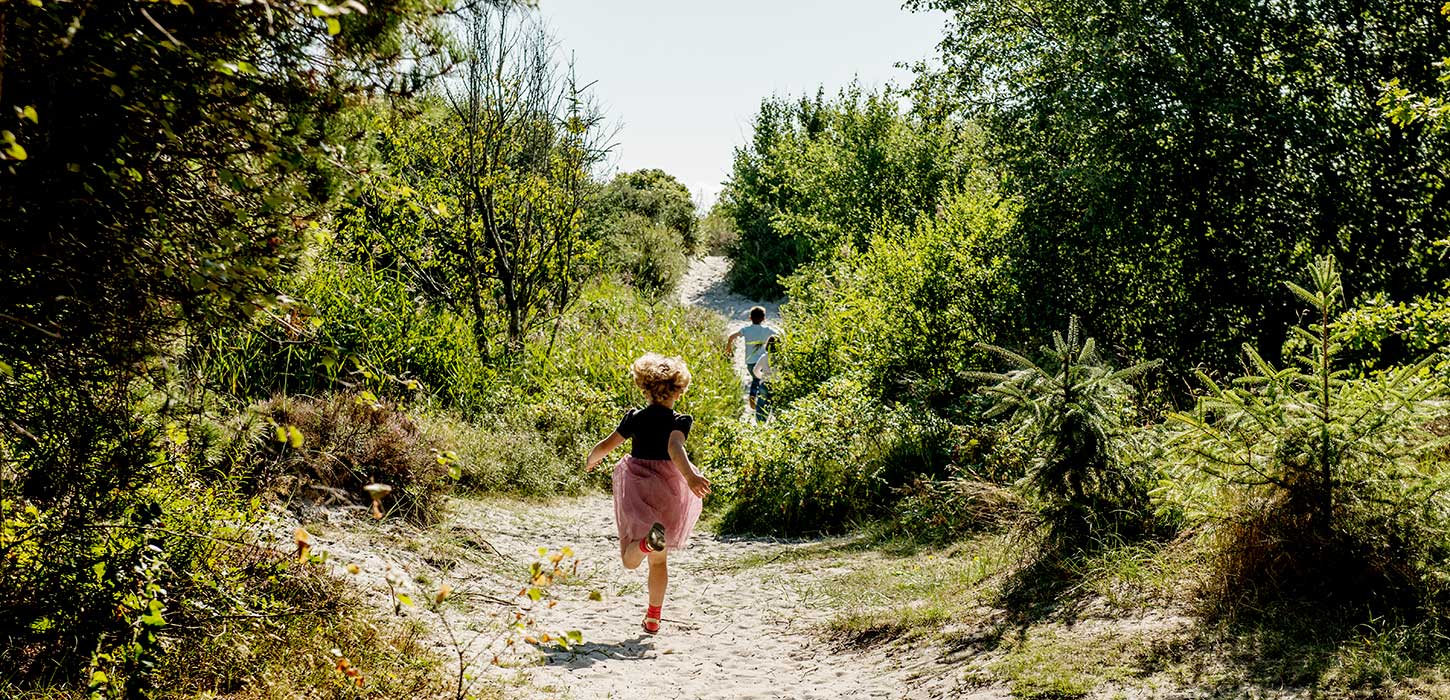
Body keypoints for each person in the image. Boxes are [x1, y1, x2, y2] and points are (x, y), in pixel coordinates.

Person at [585, 353, 711, 635]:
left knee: (630, 561)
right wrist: (689, 477)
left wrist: (592, 460)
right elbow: (675, 448)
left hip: (638, 484)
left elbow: (607, 444)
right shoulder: (680, 420)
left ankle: (642, 545)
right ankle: (653, 617)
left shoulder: (635, 417)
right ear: (679, 390)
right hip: (669, 489)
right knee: (660, 559)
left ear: (644, 388)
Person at [725, 306, 778, 416]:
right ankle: (757, 396)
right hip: (763, 360)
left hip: (749, 361)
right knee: (761, 379)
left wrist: (729, 348)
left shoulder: (746, 329)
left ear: (750, 318)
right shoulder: (767, 330)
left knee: (756, 377)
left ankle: (753, 395)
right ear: (764, 318)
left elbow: (731, 337)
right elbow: (779, 336)